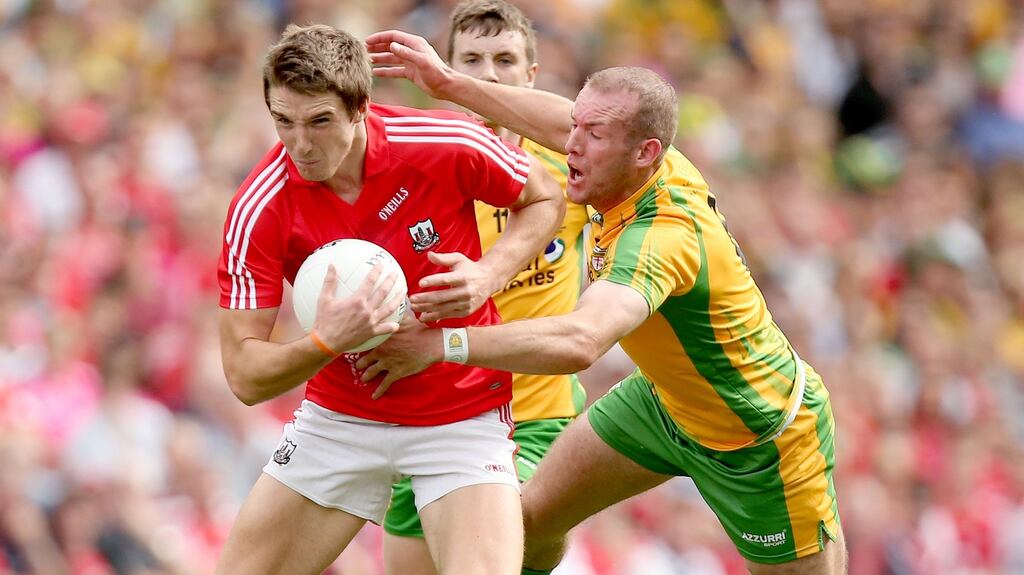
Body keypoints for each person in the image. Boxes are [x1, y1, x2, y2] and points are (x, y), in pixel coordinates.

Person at [360, 30, 847, 574]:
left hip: (755, 433)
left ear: (645, 152)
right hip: (661, 403)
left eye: (593, 134)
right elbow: (555, 120)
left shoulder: (661, 236)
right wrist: (450, 84)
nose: (570, 144)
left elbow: (582, 340)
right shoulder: (634, 165)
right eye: (578, 127)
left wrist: (441, 344)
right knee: (523, 522)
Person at [215, 24, 563, 575]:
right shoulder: (260, 206)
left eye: (319, 121)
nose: (300, 144)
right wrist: (328, 340)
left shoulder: (444, 142)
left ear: (360, 109)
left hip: (460, 417)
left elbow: (544, 195)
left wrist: (486, 275)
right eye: (283, 121)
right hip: (340, 419)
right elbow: (244, 375)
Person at [380, 3, 632, 574]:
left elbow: (601, 131)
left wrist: (462, 89)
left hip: (535, 420)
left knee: (504, 532)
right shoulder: (412, 169)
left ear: (531, 76)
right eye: (470, 60)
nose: (488, 74)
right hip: (436, 419)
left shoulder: (569, 170)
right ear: (444, 66)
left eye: (504, 60)